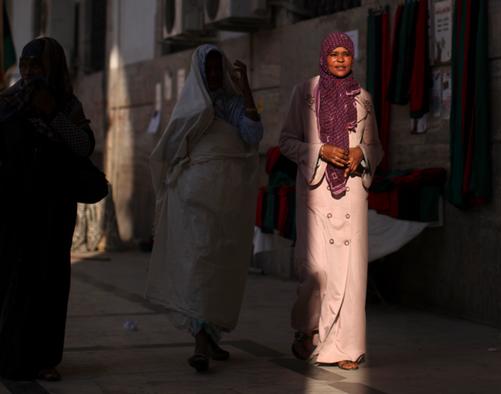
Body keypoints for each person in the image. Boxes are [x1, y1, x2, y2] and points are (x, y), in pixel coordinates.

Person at [147, 44, 262, 372]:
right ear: (198, 71)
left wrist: (247, 91)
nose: (213, 74)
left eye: (217, 68)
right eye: (207, 69)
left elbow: (253, 134)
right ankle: (199, 341)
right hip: (194, 200)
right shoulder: (188, 109)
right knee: (199, 262)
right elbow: (170, 149)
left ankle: (211, 336)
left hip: (229, 200)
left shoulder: (234, 103)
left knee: (222, 265)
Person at [279, 32, 383, 370]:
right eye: (334, 54)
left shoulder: (363, 99)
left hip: (351, 196)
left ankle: (346, 348)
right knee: (317, 270)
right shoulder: (305, 93)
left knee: (351, 273)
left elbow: (377, 148)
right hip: (317, 195)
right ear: (324, 56)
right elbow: (286, 141)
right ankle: (306, 330)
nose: (340, 60)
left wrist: (361, 152)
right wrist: (320, 150)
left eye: (346, 54)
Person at [0, 37, 96, 381]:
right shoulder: (8, 103)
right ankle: (11, 355)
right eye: (25, 66)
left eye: (36, 65)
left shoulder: (66, 105)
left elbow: (83, 147)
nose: (28, 72)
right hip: (13, 208)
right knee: (12, 279)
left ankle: (44, 358)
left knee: (49, 281)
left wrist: (51, 113)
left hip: (54, 209)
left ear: (52, 67)